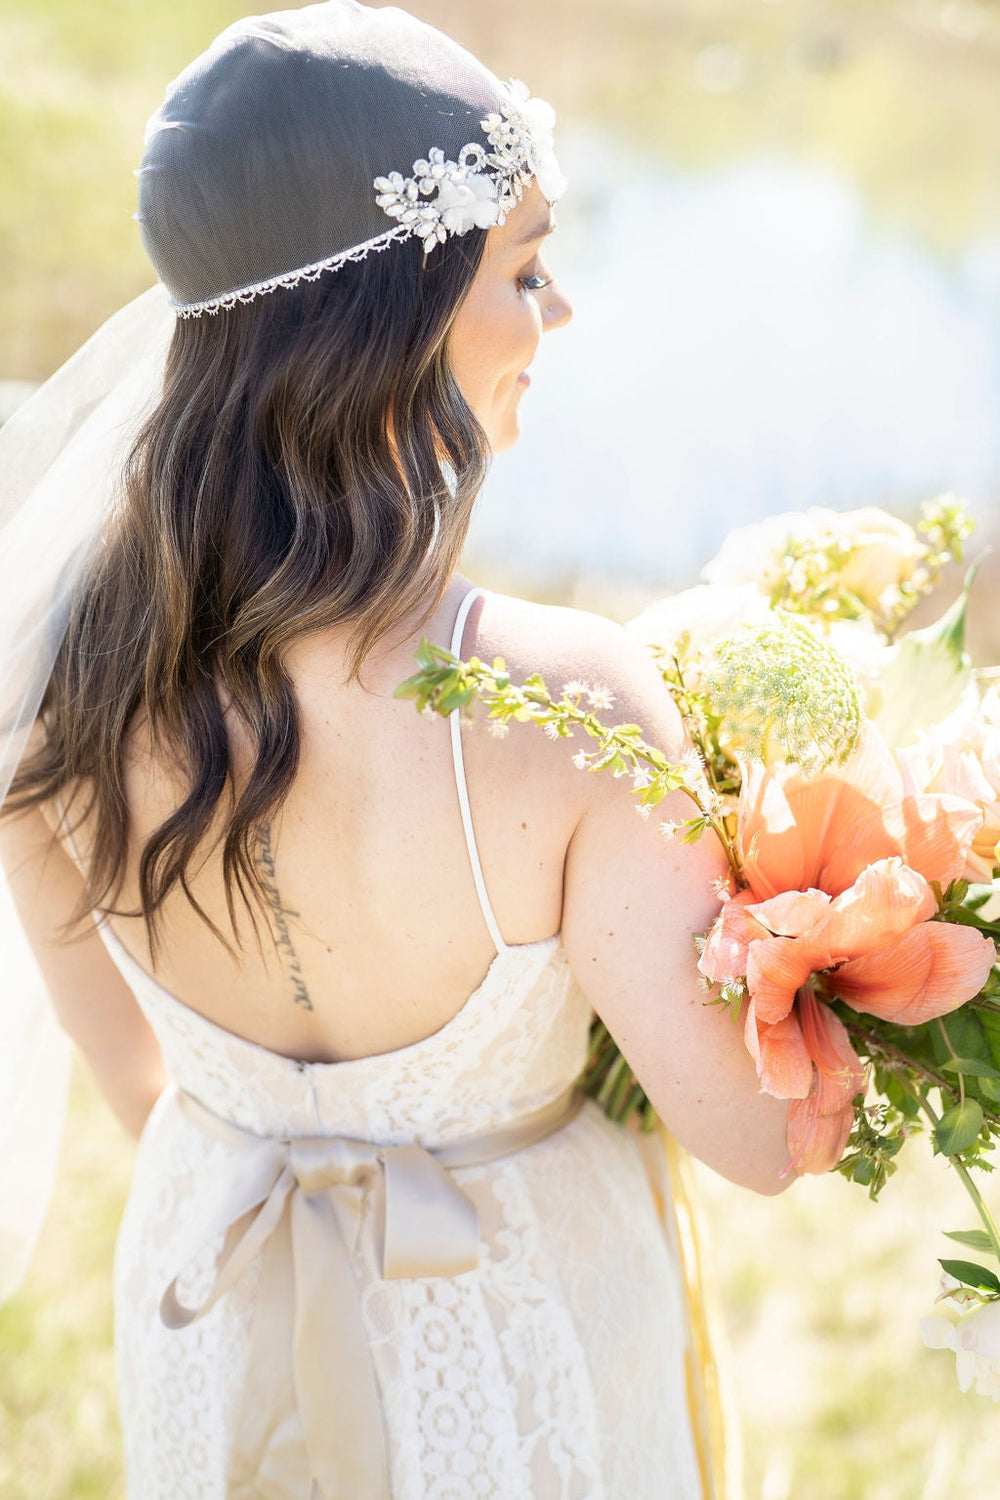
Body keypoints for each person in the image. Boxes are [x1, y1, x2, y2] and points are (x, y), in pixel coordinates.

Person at [0, 4, 792, 1496]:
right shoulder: (566, 707)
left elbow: (141, 1092)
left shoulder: (59, 682)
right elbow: (759, 1137)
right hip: (515, 1328)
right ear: (390, 321)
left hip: (210, 1292)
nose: (557, 318)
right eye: (525, 268)